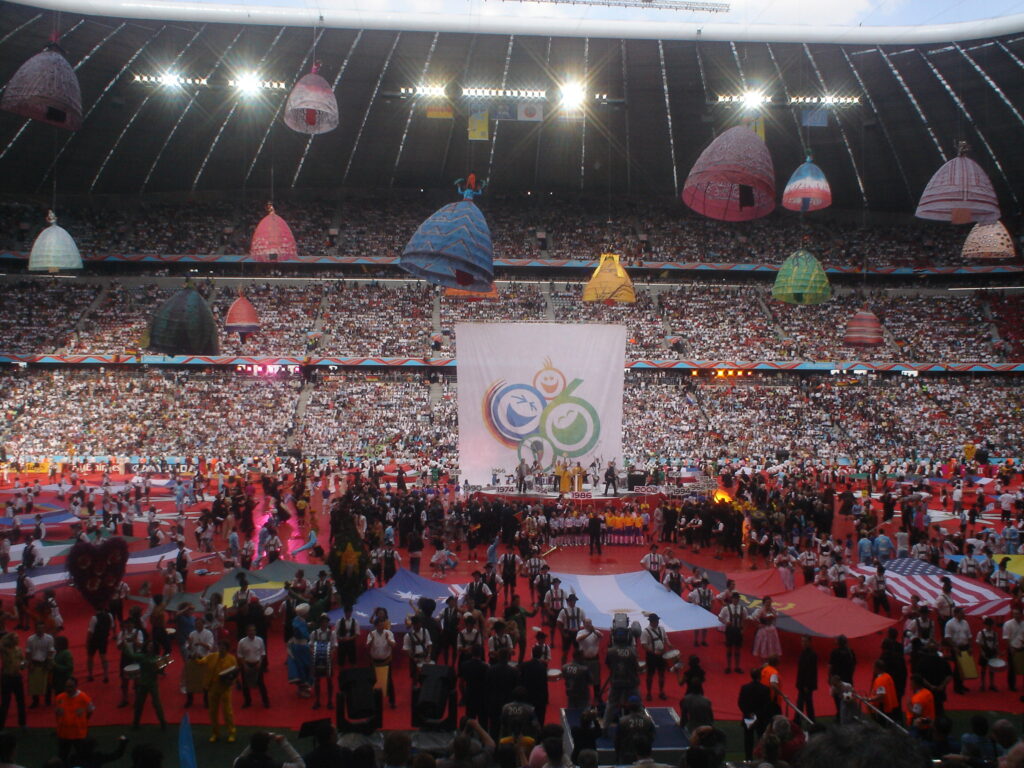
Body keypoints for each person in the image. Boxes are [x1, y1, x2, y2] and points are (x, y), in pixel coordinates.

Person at [196, 638, 238, 743]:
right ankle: (215, 733)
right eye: (220, 646)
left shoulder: (232, 659)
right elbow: (202, 661)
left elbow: (235, 673)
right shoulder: (212, 656)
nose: (221, 648)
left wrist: (231, 682)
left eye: (223, 647)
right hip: (213, 687)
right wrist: (196, 658)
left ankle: (231, 732)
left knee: (227, 712)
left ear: (227, 648)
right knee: (212, 712)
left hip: (225, 688)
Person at [123, 637, 168, 731]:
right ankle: (162, 723)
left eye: (151, 646)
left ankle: (136, 723)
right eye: (149, 646)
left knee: (142, 704)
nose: (150, 647)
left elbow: (131, 655)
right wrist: (164, 663)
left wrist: (126, 645)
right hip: (150, 683)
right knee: (154, 704)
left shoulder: (142, 657)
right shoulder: (156, 659)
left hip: (144, 683)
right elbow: (160, 671)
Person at [54, 676, 94, 764]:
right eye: (66, 686)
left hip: (78, 734)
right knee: (62, 757)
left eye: (71, 686)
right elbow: (57, 712)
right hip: (64, 733)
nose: (68, 689)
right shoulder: (59, 698)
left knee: (81, 757)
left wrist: (83, 721)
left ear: (76, 686)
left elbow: (90, 711)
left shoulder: (84, 698)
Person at [737, 668, 772, 761]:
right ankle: (762, 757)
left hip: (748, 717)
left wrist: (748, 713)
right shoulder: (765, 689)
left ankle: (748, 758)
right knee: (761, 738)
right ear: (760, 676)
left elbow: (741, 703)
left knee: (748, 739)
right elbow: (767, 705)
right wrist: (757, 715)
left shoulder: (745, 687)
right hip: (760, 718)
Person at [366, 614, 396, 708]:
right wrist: (372, 640)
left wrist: (388, 640)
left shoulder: (389, 633)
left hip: (386, 660)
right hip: (375, 661)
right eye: (379, 625)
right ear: (376, 625)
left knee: (389, 681)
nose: (381, 626)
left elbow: (394, 645)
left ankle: (392, 701)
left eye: (383, 624)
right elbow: (367, 646)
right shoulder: (372, 634)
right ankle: (372, 701)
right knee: (372, 681)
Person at [237, 624, 270, 709]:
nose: (252, 632)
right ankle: (247, 701)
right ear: (247, 632)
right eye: (250, 630)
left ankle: (265, 701)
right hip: (246, 664)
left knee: (261, 684)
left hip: (257, 664)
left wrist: (260, 663)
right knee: (245, 685)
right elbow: (239, 655)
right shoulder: (242, 642)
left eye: (253, 630)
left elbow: (262, 653)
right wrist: (244, 665)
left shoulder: (260, 640)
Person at [232, 731, 305, 768]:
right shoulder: (274, 765)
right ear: (267, 747)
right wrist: (283, 742)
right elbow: (301, 766)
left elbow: (241, 757)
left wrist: (257, 739)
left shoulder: (239, 762)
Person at [640, 614, 669, 701]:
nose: (657, 622)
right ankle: (649, 693)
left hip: (661, 655)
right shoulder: (645, 631)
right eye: (656, 621)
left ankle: (661, 692)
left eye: (657, 621)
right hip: (651, 656)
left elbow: (665, 638)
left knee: (661, 674)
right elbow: (644, 645)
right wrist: (653, 652)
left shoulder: (662, 628)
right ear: (651, 621)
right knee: (650, 675)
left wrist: (669, 644)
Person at [25, 622, 54, 708]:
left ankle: (48, 701)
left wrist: (48, 663)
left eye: (41, 628)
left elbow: (51, 651)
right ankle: (35, 701)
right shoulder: (30, 639)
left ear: (44, 629)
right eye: (38, 628)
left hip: (45, 662)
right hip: (34, 662)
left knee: (48, 683)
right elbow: (28, 652)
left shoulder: (49, 638)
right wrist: (29, 664)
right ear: (35, 629)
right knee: (34, 684)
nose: (40, 630)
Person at [0, 632, 25, 731]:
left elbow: (22, 660)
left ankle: (23, 723)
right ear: (11, 640)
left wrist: (23, 664)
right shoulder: (5, 650)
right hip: (7, 678)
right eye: (15, 638)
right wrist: (7, 636)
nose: (18, 639)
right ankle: (1, 725)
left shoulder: (18, 650)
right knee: (5, 702)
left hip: (17, 677)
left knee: (21, 701)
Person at [719, 592, 746, 673]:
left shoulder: (742, 609)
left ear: (738, 599)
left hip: (738, 630)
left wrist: (743, 630)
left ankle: (737, 667)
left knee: (737, 649)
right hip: (730, 630)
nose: (736, 600)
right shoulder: (726, 608)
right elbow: (720, 617)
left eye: (737, 598)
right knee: (729, 649)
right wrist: (725, 622)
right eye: (734, 598)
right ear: (732, 599)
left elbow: (745, 619)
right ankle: (728, 666)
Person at [85, 606, 114, 683]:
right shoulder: (109, 616)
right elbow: (111, 627)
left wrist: (87, 642)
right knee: (103, 656)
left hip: (94, 640)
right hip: (104, 639)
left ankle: (90, 675)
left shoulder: (94, 618)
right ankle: (106, 675)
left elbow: (90, 632)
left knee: (90, 656)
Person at [795, 635, 818, 722]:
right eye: (802, 641)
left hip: (806, 684)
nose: (803, 643)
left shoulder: (812, 655)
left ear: (809, 642)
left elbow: (811, 671)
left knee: (805, 703)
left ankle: (803, 720)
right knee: (803, 703)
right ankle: (808, 720)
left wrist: (806, 685)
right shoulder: (803, 653)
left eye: (805, 641)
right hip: (802, 683)